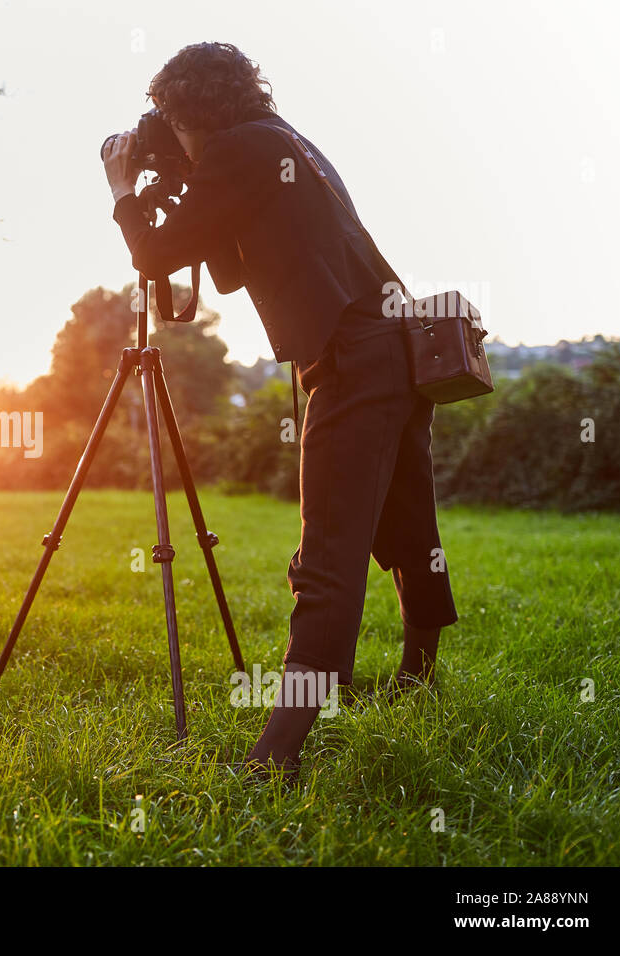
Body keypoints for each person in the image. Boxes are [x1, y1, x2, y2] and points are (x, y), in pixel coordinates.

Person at [102, 42, 459, 782]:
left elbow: (153, 258)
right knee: (405, 523)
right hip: (390, 350)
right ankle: (419, 682)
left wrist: (123, 191)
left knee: (325, 557)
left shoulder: (240, 148)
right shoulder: (283, 140)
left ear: (190, 107)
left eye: (167, 113)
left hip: (357, 362)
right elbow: (229, 274)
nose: (163, 127)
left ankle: (275, 758)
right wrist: (179, 181)